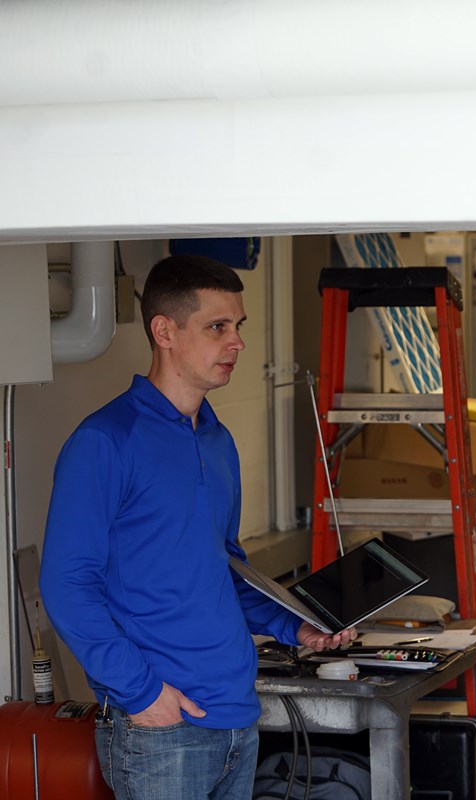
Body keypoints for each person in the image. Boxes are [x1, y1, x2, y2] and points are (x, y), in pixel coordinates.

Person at [40, 255, 356, 800]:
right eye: (218, 327)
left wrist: (294, 626)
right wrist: (141, 694)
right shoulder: (105, 442)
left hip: (235, 714)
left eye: (239, 327)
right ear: (164, 331)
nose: (236, 343)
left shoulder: (217, 440)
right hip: (162, 728)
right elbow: (66, 586)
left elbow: (225, 570)